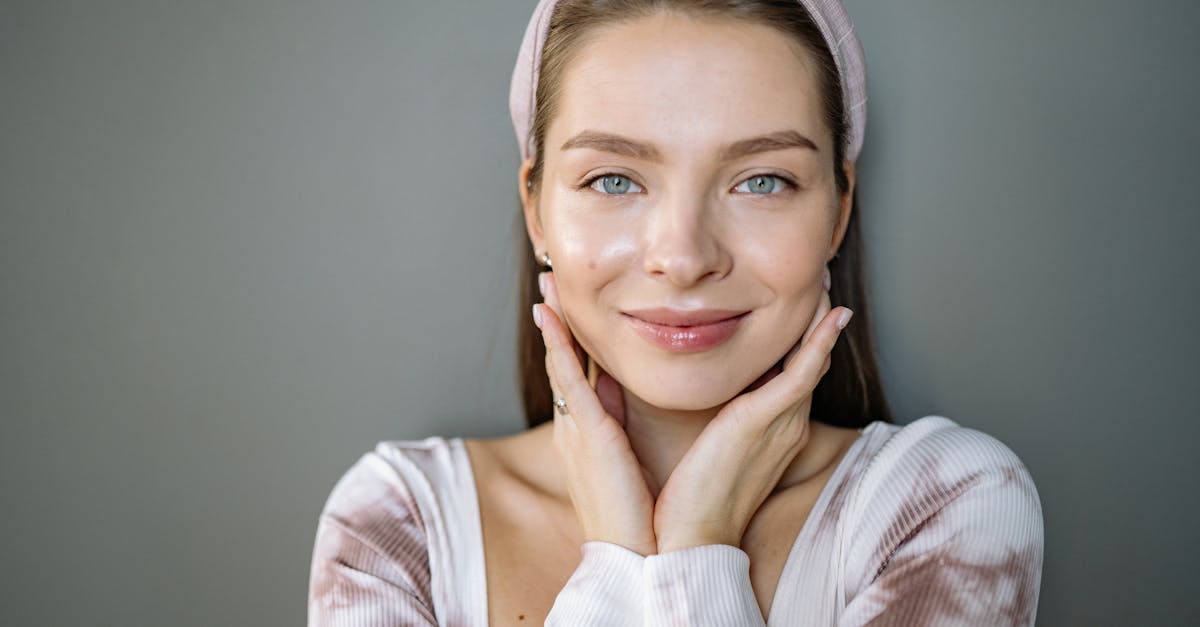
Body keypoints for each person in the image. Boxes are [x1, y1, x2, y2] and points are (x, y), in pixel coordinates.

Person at [307, 0, 1045, 624]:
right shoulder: (398, 525)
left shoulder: (946, 505)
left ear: (837, 208)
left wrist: (695, 543)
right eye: (614, 179)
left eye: (761, 180)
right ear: (536, 208)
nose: (685, 256)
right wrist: (622, 556)